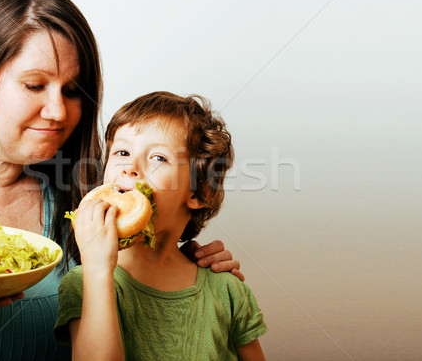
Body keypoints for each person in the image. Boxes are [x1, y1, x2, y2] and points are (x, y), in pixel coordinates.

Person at [0, 0, 243, 360]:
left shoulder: (87, 189)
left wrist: (191, 269)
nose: (58, 112)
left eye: (73, 91)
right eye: (34, 85)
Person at [55, 91, 268, 360]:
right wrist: (97, 272)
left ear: (200, 192)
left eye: (158, 158)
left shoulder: (227, 288)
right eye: (122, 152)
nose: (130, 167)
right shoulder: (85, 283)